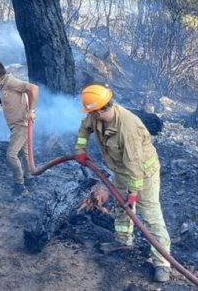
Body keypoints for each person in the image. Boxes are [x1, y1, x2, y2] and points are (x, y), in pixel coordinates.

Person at [74, 83, 171, 282]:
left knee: (150, 215)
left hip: (143, 173)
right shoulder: (96, 116)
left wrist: (133, 192)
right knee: (121, 206)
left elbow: (134, 165)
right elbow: (84, 129)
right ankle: (123, 241)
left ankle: (163, 263)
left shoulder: (127, 127)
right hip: (122, 170)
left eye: (92, 111)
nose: (90, 115)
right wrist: (80, 149)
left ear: (101, 109)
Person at [0, 61, 39, 195]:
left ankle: (19, 185)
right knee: (25, 153)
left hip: (21, 125)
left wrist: (32, 110)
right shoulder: (5, 85)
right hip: (17, 125)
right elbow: (10, 96)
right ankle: (30, 178)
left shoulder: (11, 82)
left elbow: (33, 88)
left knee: (11, 155)